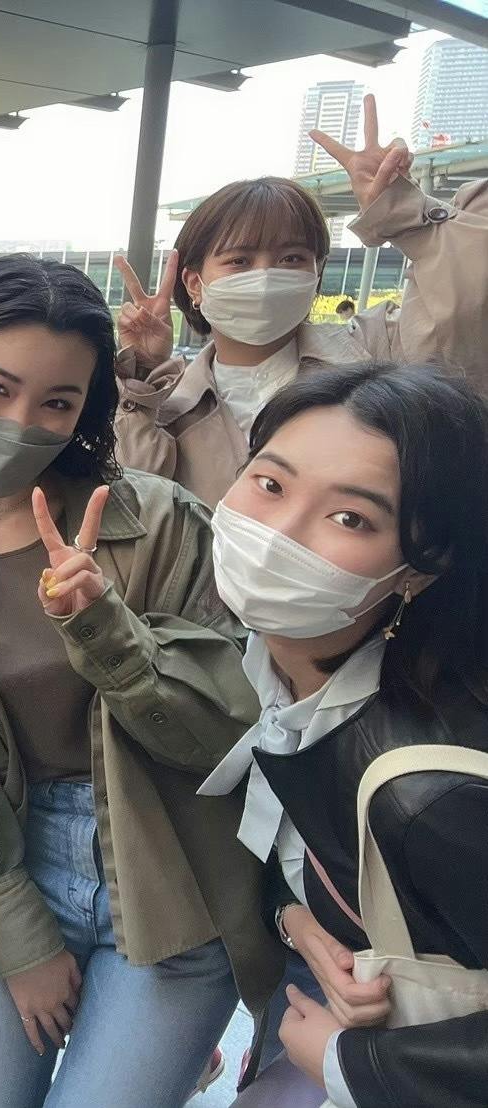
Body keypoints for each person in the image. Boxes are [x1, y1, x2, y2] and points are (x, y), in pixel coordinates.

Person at [0, 255, 282, 1108]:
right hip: (11, 851)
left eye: (56, 402)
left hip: (171, 871)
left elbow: (225, 733)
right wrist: (14, 931)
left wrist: (108, 634)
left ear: (86, 410)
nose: (20, 422)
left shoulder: (159, 521)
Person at [197, 363, 488, 1108]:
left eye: (351, 518)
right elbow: (293, 836)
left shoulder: (434, 793)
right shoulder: (276, 661)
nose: (278, 533)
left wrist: (348, 1065)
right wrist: (295, 920)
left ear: (422, 570)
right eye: (269, 483)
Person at [113, 94, 488, 507]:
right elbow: (132, 501)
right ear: (194, 284)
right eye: (239, 261)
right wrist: (143, 375)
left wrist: (405, 215)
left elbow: (470, 305)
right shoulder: (168, 405)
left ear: (316, 273)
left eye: (291, 258)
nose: (265, 276)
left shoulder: (379, 351)